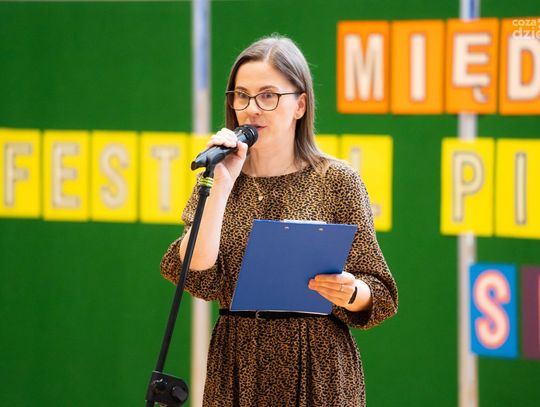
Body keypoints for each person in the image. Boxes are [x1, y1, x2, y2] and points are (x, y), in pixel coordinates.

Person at [160, 34, 398, 407]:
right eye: (242, 95)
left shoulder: (336, 180)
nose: (252, 108)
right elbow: (196, 270)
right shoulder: (218, 174)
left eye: (268, 95)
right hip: (237, 361)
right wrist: (221, 185)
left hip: (317, 365)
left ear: (300, 104)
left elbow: (379, 291)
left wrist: (351, 292)